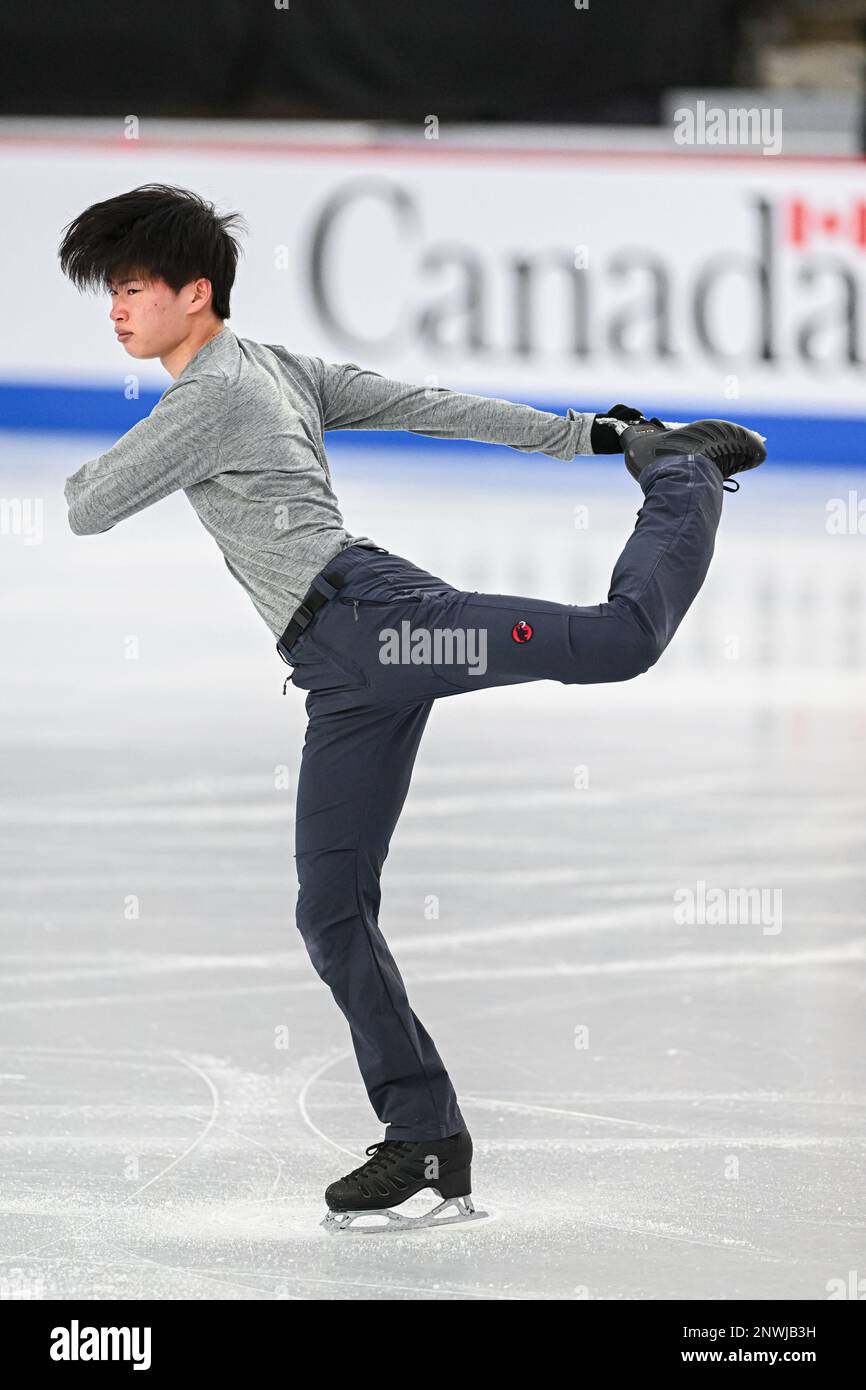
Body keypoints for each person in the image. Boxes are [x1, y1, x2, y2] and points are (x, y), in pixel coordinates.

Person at [58, 183, 766, 1234]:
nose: (114, 309)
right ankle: (424, 1140)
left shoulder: (209, 393)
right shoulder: (278, 368)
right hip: (342, 667)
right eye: (106, 292)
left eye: (129, 288)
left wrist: (639, 449)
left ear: (194, 293)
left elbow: (82, 505)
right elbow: (425, 403)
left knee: (616, 639)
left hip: (379, 629)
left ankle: (684, 481)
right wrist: (601, 431)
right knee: (330, 908)